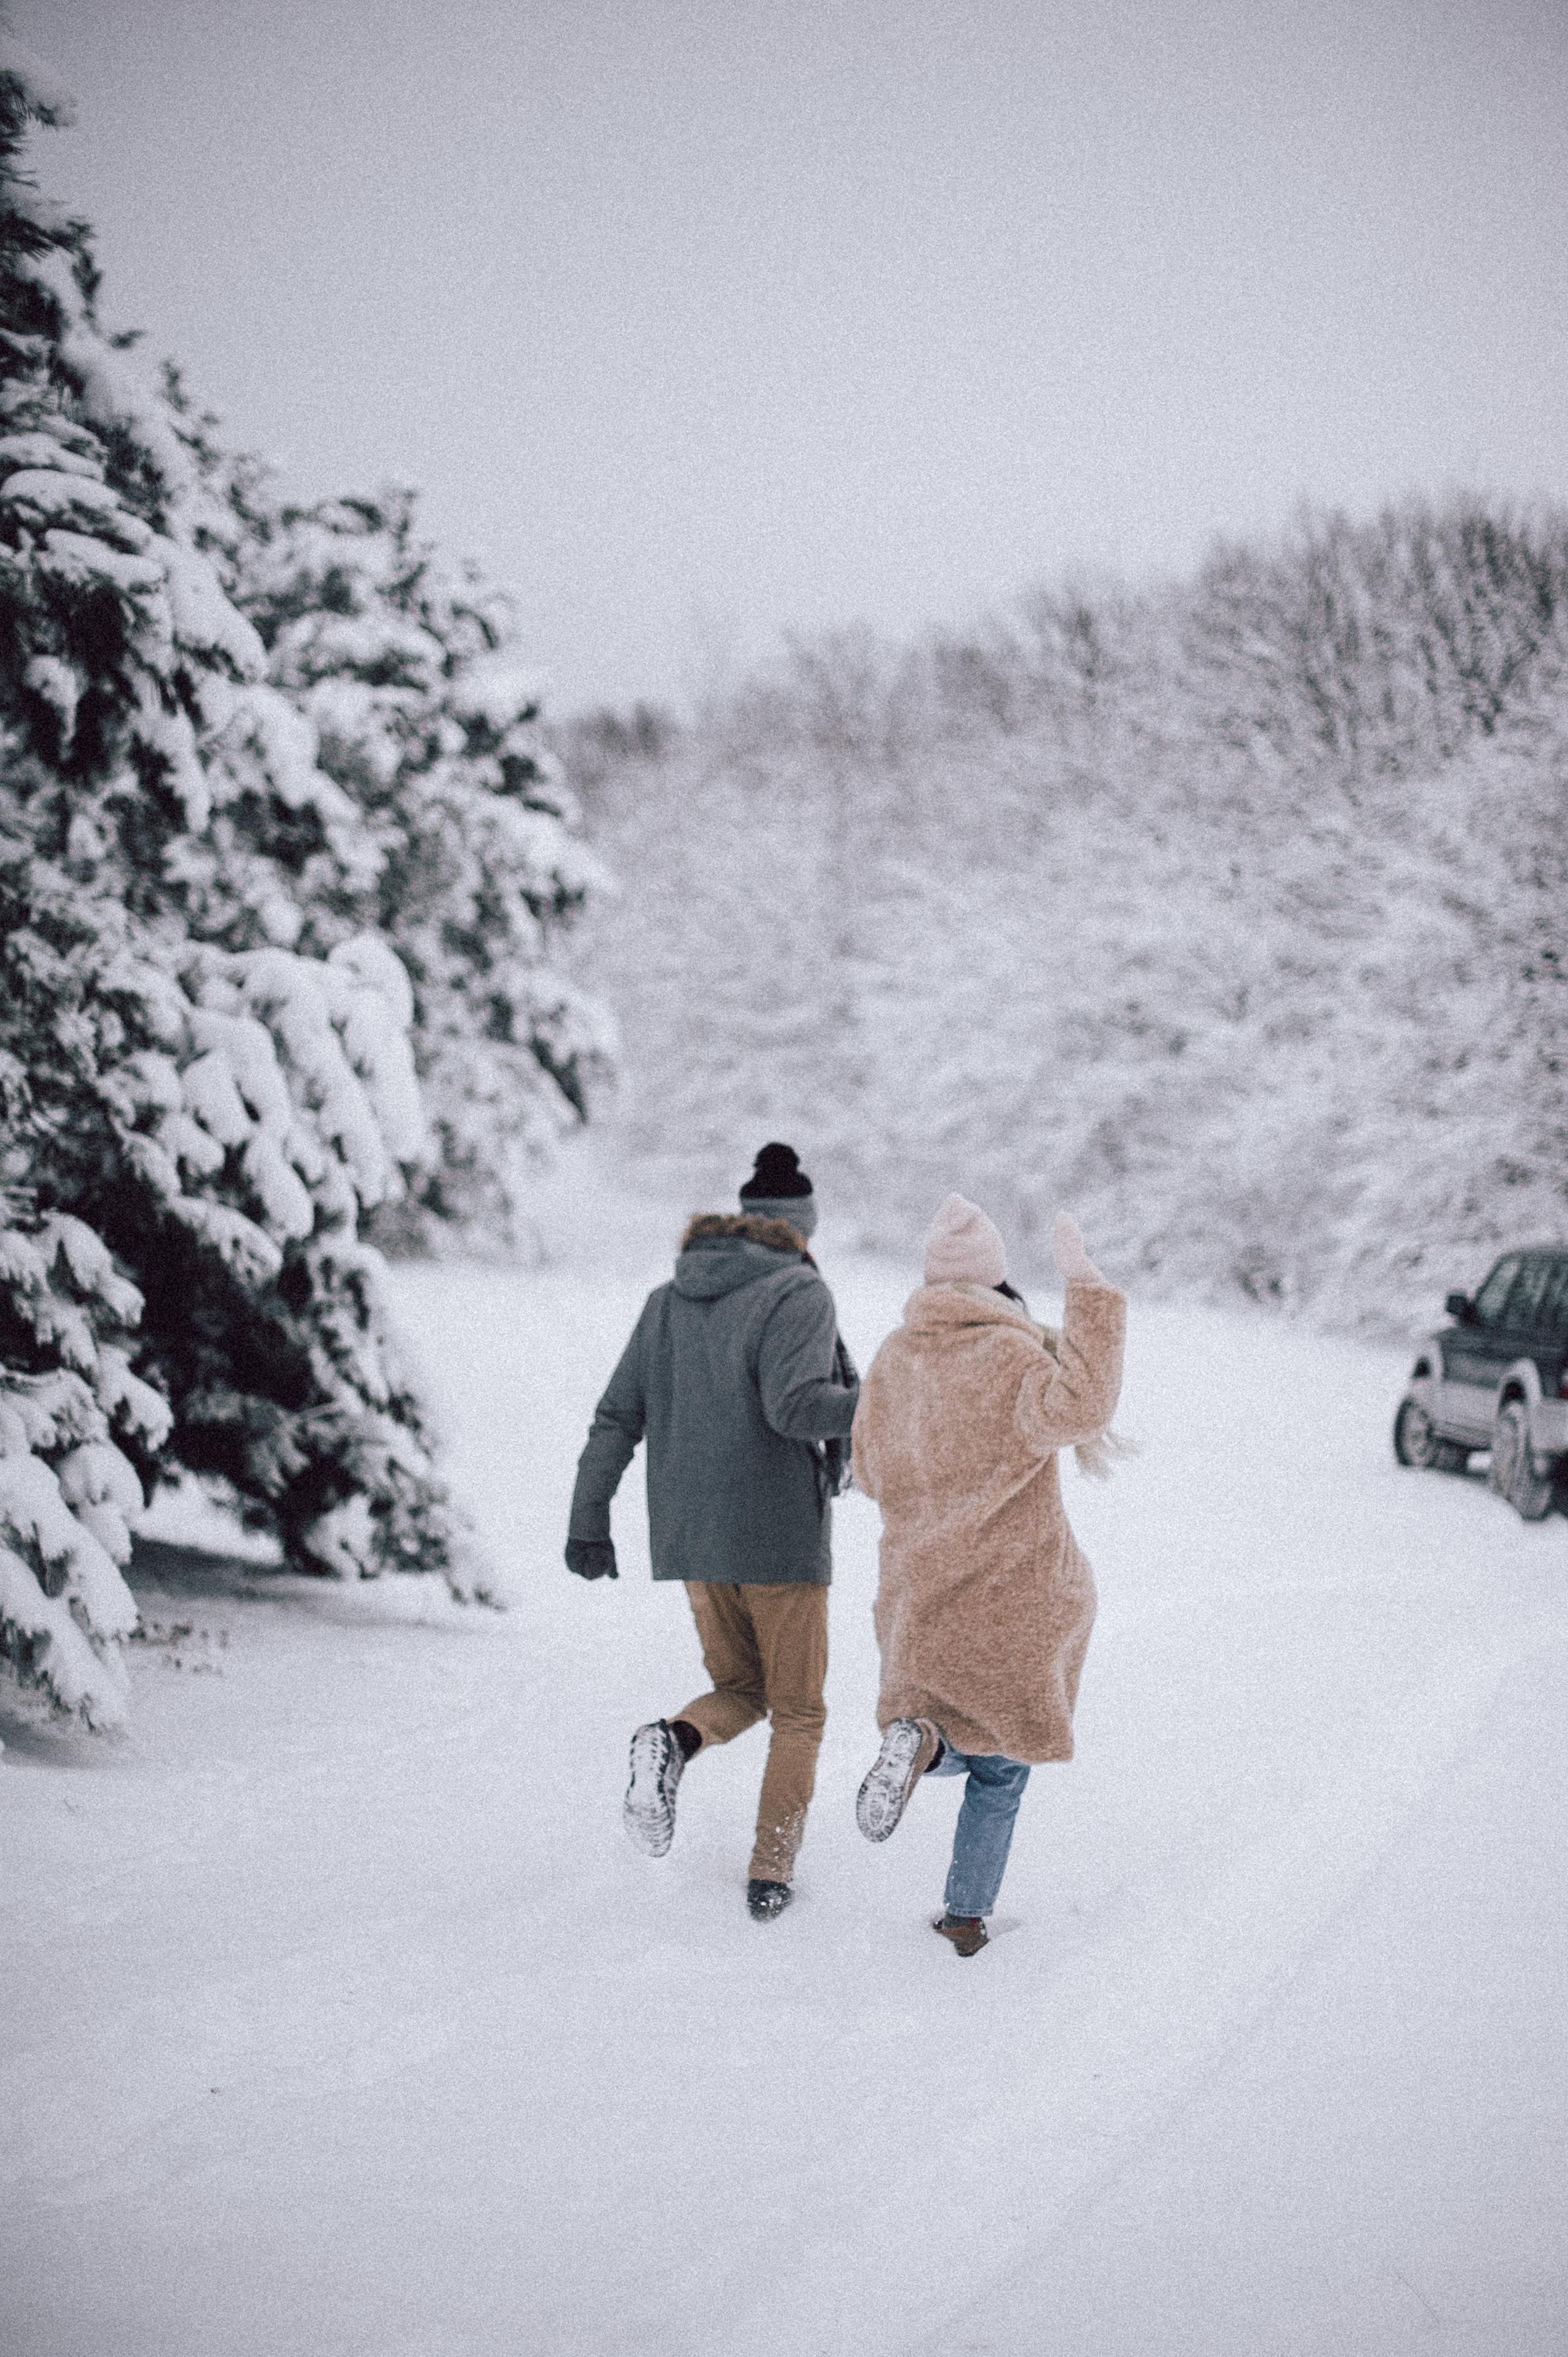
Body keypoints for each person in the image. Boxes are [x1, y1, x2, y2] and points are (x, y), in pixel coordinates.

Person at [565, 1143, 859, 1922]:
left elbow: (617, 1416)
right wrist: (882, 1400)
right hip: (777, 1536)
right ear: (799, 1228)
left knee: (742, 1689)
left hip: (692, 1537)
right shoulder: (798, 1291)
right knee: (798, 1710)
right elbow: (797, 1409)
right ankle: (770, 1873)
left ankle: (672, 1739)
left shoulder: (669, 1297)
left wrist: (587, 1519)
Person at [850, 1195, 1126, 1956]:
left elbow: (866, 1472)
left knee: (950, 1724)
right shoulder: (1012, 1357)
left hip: (919, 1592)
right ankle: (965, 1918)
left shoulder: (893, 1357)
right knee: (1001, 1767)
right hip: (1014, 1592)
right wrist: (1089, 1292)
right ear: (997, 1284)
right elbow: (1084, 1410)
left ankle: (922, 1745)